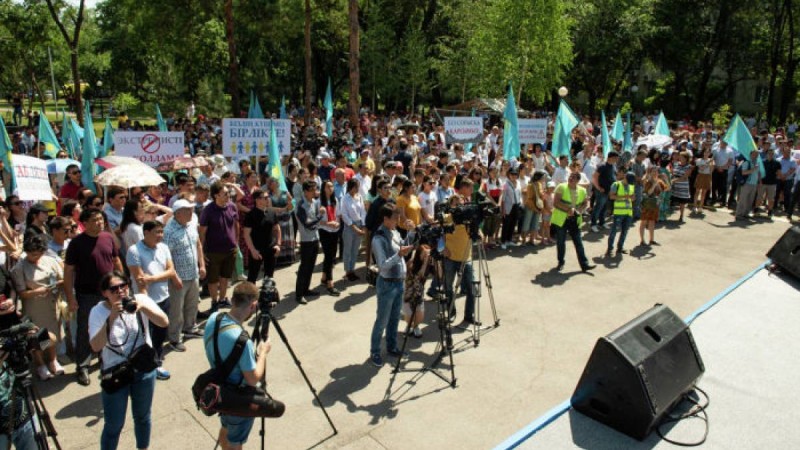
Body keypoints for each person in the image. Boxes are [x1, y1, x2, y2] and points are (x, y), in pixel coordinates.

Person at [89, 271, 169, 450]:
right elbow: (95, 346)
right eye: (114, 288)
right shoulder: (97, 311)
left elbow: (164, 322)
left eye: (123, 286)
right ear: (105, 293)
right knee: (114, 425)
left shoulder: (139, 299)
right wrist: (111, 318)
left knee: (142, 417)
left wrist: (143, 307)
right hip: (115, 373)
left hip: (143, 369)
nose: (120, 291)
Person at [203, 282, 272, 450]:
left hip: (219, 389)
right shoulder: (242, 341)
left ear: (232, 299)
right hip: (237, 398)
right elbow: (253, 379)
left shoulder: (214, 319)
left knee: (226, 428)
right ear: (253, 305)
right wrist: (263, 352)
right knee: (235, 443)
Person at [64, 209, 123, 386]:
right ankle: (82, 365)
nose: (99, 222)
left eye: (100, 219)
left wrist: (122, 282)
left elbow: (116, 261)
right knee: (86, 329)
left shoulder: (107, 237)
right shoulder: (76, 244)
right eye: (94, 219)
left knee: (111, 324)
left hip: (109, 292)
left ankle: (106, 358)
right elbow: (68, 272)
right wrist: (70, 298)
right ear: (85, 223)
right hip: (87, 294)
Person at [126, 221, 177, 381]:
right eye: (157, 232)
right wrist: (146, 302)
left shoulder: (164, 247)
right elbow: (140, 279)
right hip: (145, 301)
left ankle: (157, 362)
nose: (160, 235)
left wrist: (153, 277)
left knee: (160, 335)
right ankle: (146, 366)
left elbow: (171, 271)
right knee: (146, 336)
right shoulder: (134, 251)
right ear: (146, 232)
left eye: (162, 232)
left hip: (164, 297)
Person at [11, 235, 65, 381]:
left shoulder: (49, 260)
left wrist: (55, 286)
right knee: (38, 335)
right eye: (32, 254)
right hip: (35, 306)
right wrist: (38, 291)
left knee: (52, 332)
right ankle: (40, 364)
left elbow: (62, 278)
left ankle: (53, 360)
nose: (35, 257)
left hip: (52, 303)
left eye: (38, 254)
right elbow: (21, 293)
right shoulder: (20, 267)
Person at [370, 204, 415, 368]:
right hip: (387, 284)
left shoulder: (394, 232)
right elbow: (382, 265)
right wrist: (399, 255)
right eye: (395, 218)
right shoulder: (378, 238)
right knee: (382, 320)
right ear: (385, 219)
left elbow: (403, 245)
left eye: (398, 218)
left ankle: (392, 347)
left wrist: (412, 232)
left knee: (395, 318)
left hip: (398, 282)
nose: (398, 221)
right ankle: (375, 351)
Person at [163, 199, 205, 352]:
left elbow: (198, 244)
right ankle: (174, 338)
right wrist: (174, 277)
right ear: (178, 213)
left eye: (191, 209)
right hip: (178, 278)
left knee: (192, 304)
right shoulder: (169, 231)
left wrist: (202, 265)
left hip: (193, 274)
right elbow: (166, 257)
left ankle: (190, 328)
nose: (191, 213)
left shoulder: (190, 225)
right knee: (176, 309)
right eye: (187, 210)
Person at [199, 181, 240, 313]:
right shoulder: (208, 211)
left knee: (225, 277)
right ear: (216, 195)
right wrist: (202, 252)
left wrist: (236, 242)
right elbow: (202, 232)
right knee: (213, 279)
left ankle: (222, 299)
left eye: (228, 193)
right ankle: (214, 302)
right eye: (225, 193)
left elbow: (236, 225)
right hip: (213, 252)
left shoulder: (232, 206)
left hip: (230, 249)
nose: (229, 195)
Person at [295, 180, 337, 304]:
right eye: (313, 190)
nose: (315, 192)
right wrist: (320, 216)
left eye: (316, 189)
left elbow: (315, 222)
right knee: (304, 267)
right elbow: (307, 224)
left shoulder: (314, 202)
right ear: (306, 192)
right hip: (306, 240)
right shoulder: (301, 205)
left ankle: (306, 289)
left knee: (310, 267)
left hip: (315, 238)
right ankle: (299, 294)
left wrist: (319, 218)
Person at [443, 186, 479, 327]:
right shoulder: (446, 218)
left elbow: (478, 234)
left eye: (460, 204)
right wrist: (442, 248)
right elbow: (438, 236)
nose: (458, 207)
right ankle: (451, 312)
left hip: (466, 258)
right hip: (450, 258)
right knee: (448, 287)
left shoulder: (469, 218)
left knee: (472, 289)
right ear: (450, 206)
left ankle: (469, 316)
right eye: (455, 204)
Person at [552, 172, 594, 272]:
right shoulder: (561, 187)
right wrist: (568, 209)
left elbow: (585, 203)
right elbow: (556, 202)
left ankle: (584, 264)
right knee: (561, 242)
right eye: (570, 177)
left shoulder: (582, 190)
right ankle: (561, 262)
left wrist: (579, 211)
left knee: (578, 242)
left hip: (575, 220)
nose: (570, 179)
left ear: (578, 181)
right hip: (561, 219)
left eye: (573, 178)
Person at [243, 189, 281, 283]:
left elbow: (277, 229)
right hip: (257, 251)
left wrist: (278, 244)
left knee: (269, 277)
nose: (268, 199)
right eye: (265, 197)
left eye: (268, 197)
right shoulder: (250, 215)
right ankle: (251, 297)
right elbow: (246, 234)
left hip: (271, 249)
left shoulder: (271, 212)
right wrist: (252, 250)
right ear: (257, 200)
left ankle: (266, 295)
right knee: (252, 278)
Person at [340, 179, 367, 283]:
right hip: (349, 226)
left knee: (355, 250)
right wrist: (354, 227)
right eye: (356, 187)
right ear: (351, 187)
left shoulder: (359, 197)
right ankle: (348, 271)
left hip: (359, 224)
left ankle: (352, 269)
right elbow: (344, 215)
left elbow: (363, 212)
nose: (357, 189)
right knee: (348, 250)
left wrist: (363, 225)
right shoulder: (344, 198)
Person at [317, 181, 341, 295]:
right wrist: (327, 224)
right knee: (328, 256)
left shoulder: (335, 200)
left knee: (331, 255)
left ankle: (324, 277)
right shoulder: (318, 202)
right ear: (323, 188)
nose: (331, 188)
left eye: (332, 186)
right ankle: (330, 283)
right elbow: (316, 220)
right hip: (324, 230)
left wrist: (338, 223)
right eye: (328, 186)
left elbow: (338, 214)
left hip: (334, 230)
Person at [402, 245, 431, 338]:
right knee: (409, 314)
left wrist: (435, 262)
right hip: (408, 291)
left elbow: (440, 275)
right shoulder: (412, 263)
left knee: (420, 315)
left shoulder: (428, 264)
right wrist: (426, 262)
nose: (426, 256)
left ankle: (415, 326)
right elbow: (420, 275)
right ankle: (409, 326)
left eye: (427, 254)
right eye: (424, 254)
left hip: (419, 292)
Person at [606, 171, 636, 257]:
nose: (629, 182)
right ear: (625, 176)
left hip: (628, 212)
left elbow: (633, 198)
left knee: (625, 231)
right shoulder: (616, 184)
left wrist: (633, 198)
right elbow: (611, 196)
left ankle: (620, 248)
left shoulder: (631, 185)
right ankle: (609, 249)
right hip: (619, 212)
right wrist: (625, 197)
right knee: (614, 231)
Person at [591, 151, 619, 232]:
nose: (616, 159)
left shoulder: (613, 166)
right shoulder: (602, 166)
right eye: (615, 158)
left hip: (609, 191)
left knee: (604, 208)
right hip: (601, 191)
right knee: (598, 207)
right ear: (610, 157)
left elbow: (614, 176)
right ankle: (593, 224)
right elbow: (594, 177)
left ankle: (602, 222)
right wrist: (599, 188)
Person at [640, 166, 666, 245]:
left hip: (655, 205)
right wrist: (654, 184)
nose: (655, 173)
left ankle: (651, 240)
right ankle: (642, 240)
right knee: (644, 222)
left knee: (652, 222)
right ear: (650, 173)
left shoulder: (659, 181)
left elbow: (667, 188)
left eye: (656, 171)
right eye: (653, 171)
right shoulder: (647, 181)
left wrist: (666, 179)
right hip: (647, 204)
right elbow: (649, 193)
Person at [735, 150, 762, 220]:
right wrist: (753, 169)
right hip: (747, 183)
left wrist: (759, 182)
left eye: (757, 154)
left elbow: (758, 173)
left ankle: (745, 214)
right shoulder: (747, 162)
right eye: (754, 154)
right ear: (751, 155)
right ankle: (739, 214)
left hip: (754, 184)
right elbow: (743, 172)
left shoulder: (757, 163)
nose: (756, 156)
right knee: (743, 199)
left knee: (750, 200)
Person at [499, 168, 522, 249]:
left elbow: (519, 194)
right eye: (512, 174)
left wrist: (520, 203)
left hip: (517, 205)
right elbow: (503, 198)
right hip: (508, 206)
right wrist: (503, 209)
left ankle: (509, 240)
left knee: (513, 224)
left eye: (515, 174)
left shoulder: (518, 183)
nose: (514, 176)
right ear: (509, 175)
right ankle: (503, 241)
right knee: (506, 224)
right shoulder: (505, 184)